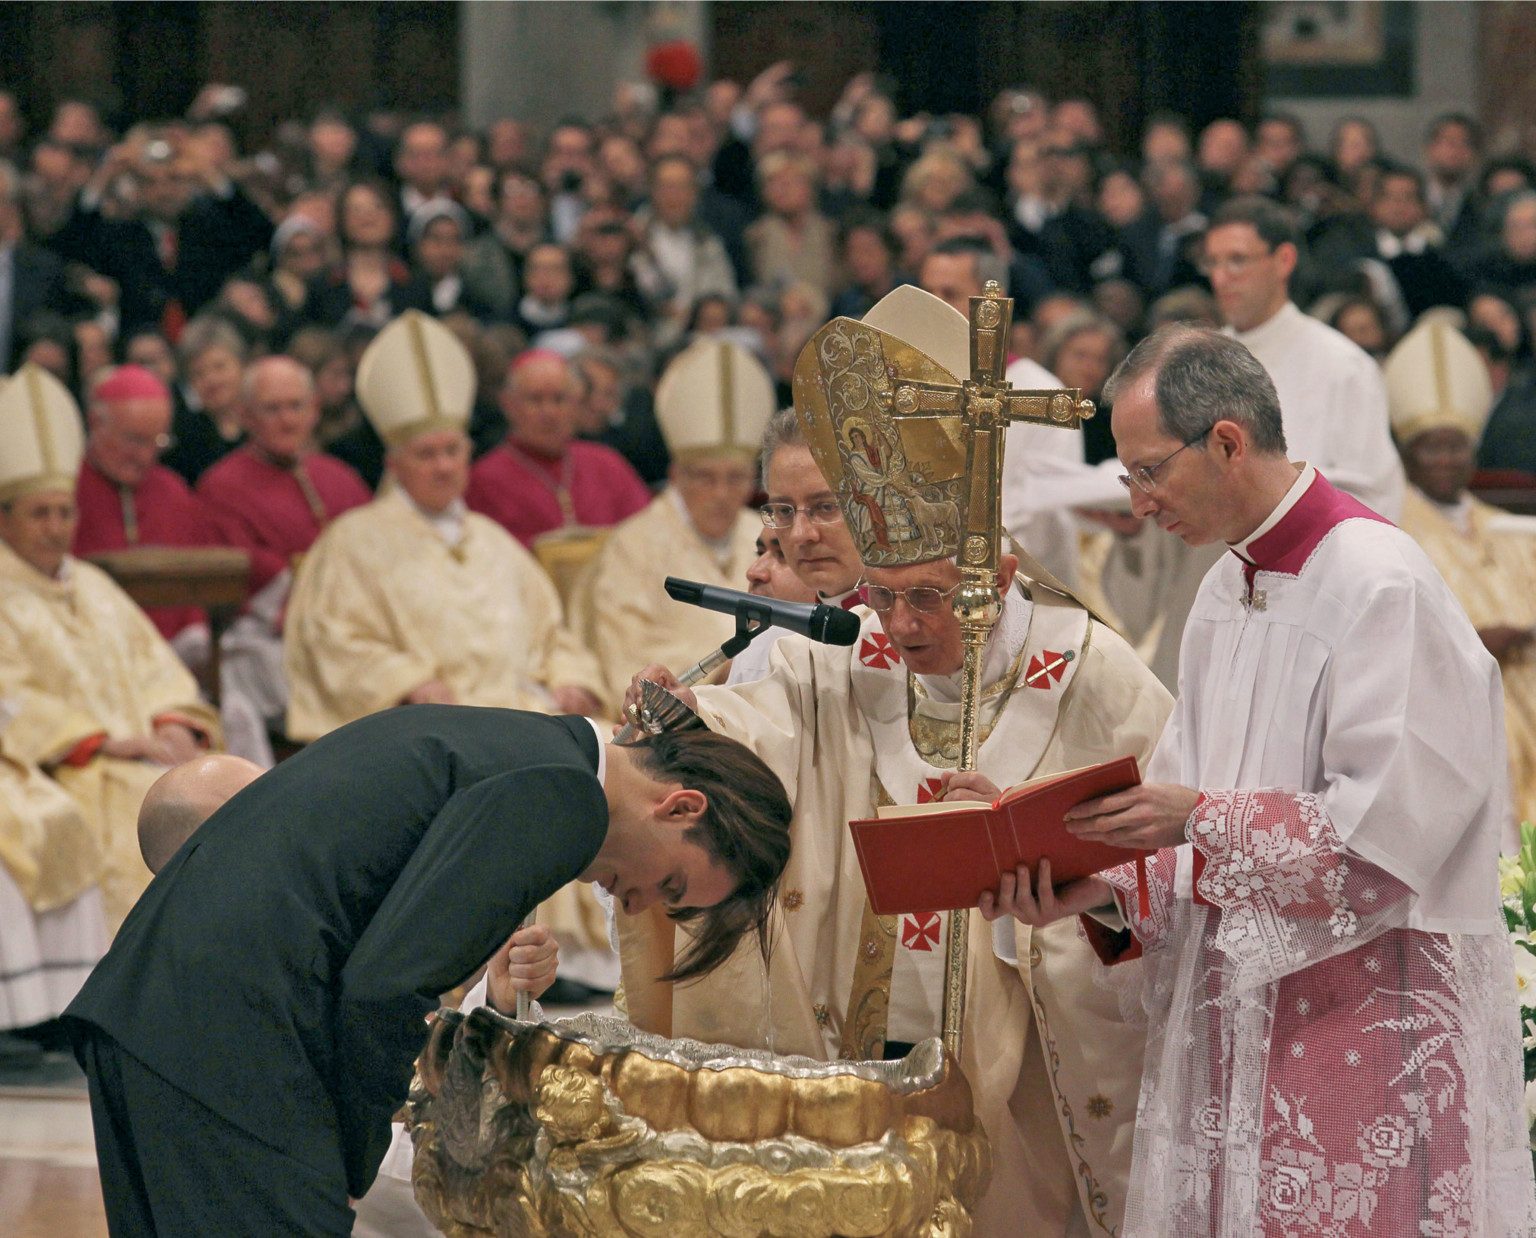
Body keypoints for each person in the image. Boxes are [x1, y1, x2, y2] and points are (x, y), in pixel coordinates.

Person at [621, 287, 1173, 1238]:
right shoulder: (847, 648)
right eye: (883, 595)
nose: (902, 627)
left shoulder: (1094, 674)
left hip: (1026, 1073)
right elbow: (761, 730)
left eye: (929, 598)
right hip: (866, 1046)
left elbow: (1172, 866)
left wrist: (1068, 890)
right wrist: (683, 724)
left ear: (996, 574)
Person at [988, 324, 1536, 1237]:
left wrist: (1199, 820)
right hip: (1235, 1027)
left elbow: (1387, 844)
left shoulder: (1378, 584)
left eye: (1149, 471)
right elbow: (1188, 816)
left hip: (1361, 1034)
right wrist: (1103, 891)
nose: (1137, 500)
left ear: (1229, 441)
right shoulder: (1222, 590)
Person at [63, 705, 793, 1237]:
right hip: (231, 1036)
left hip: (157, 1014)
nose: (633, 902)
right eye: (668, 886)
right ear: (680, 806)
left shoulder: (523, 745)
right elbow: (386, 986)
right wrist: (349, 1161)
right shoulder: (565, 793)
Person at [1101, 196, 1404, 689]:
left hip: (1302, 608)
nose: (1222, 277)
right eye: (1213, 263)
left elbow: (1375, 505)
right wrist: (1138, 527)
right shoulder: (1185, 366)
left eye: (1237, 260)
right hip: (1207, 599)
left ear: (1283, 260)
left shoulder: (1341, 366)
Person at [286, 311, 606, 737]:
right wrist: (407, 682)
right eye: (426, 454)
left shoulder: (493, 540)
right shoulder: (352, 540)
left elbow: (552, 633)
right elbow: (334, 639)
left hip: (526, 715)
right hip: (425, 729)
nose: (443, 466)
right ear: (394, 464)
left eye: (453, 451)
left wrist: (571, 680)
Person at [0, 363, 222, 934]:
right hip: (74, 766)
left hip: (145, 757)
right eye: (39, 514)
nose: (56, 528)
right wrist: (99, 741)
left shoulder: (94, 586)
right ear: (5, 519)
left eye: (65, 512)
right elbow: (10, 695)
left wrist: (175, 720)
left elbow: (156, 668)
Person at [1385, 319, 1536, 837]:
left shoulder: (1511, 529)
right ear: (1408, 453)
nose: (1447, 460)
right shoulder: (1389, 532)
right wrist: (1477, 641)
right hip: (1453, 719)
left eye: (1458, 447)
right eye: (1433, 447)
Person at [576, 339, 770, 709]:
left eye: (735, 478)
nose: (721, 493)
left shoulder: (765, 535)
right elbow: (624, 650)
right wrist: (723, 672)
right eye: (705, 478)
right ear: (676, 475)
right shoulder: (633, 544)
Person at [198, 355, 372, 764]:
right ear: (244, 415)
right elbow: (239, 579)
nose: (287, 420)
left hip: (355, 635)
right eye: (272, 409)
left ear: (314, 411)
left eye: (296, 407)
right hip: (276, 642)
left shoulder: (340, 478)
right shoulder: (221, 486)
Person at [71, 365, 221, 660]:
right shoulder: (65, 494)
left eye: (158, 442)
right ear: (95, 422)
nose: (146, 456)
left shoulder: (173, 491)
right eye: (135, 440)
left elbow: (199, 584)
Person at [466, 348, 651, 548]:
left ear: (576, 404)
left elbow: (646, 535)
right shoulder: (483, 480)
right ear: (509, 404)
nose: (550, 412)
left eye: (559, 399)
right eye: (536, 399)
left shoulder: (607, 464)